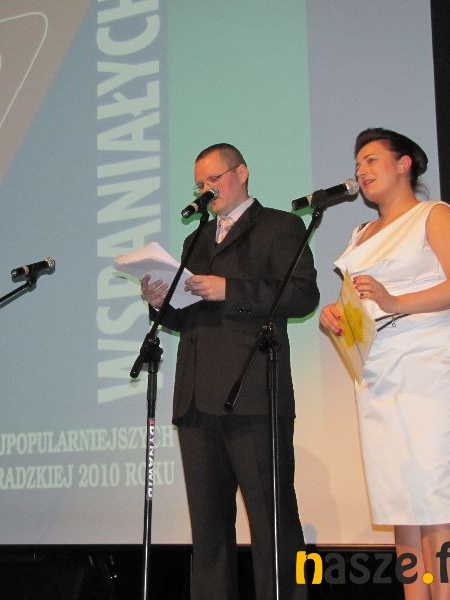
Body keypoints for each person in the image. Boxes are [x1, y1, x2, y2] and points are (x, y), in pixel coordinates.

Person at [140, 143, 319, 600]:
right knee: (208, 529)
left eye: (214, 179)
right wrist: (162, 304)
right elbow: (190, 316)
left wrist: (230, 289)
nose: (206, 190)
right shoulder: (195, 240)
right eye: (200, 184)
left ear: (242, 172)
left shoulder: (280, 226)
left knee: (273, 519)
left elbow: (303, 295)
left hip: (252, 393)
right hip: (197, 399)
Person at [319, 128, 450, 599]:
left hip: (429, 362)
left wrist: (395, 301)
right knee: (401, 501)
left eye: (371, 160)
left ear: (404, 163)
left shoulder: (435, 215)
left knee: (436, 496)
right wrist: (336, 315)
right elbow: (359, 302)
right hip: (377, 367)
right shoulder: (361, 234)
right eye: (358, 164)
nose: (361, 171)